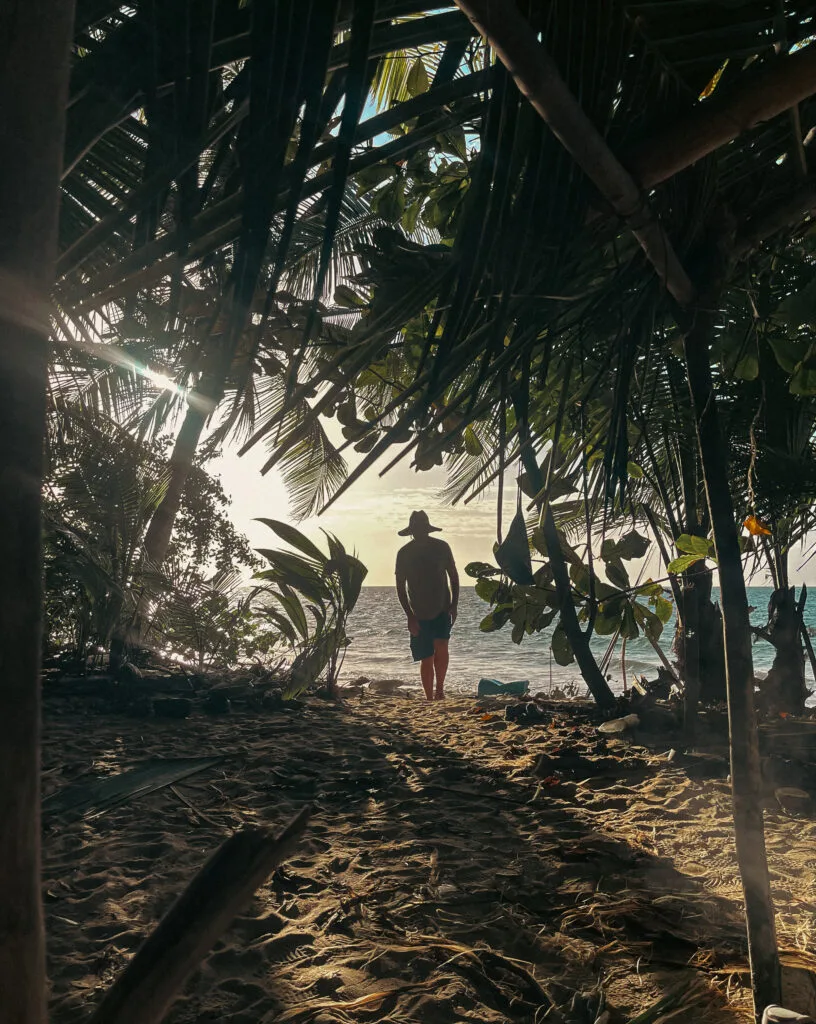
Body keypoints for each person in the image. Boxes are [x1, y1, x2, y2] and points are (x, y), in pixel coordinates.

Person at [395, 510, 459, 701]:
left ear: (428, 529)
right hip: (418, 611)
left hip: (442, 606)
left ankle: (440, 690)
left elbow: (453, 577)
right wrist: (409, 616)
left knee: (441, 647)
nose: (420, 532)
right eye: (417, 529)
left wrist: (454, 604)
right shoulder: (404, 553)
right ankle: (429, 697)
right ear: (412, 531)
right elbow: (400, 586)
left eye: (423, 528)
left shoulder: (442, 547)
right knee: (426, 656)